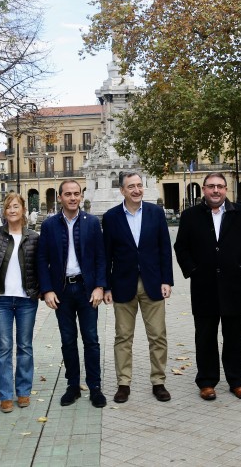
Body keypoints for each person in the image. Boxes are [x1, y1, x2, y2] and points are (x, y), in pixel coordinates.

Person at [174, 173, 241, 401]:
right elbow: (181, 247)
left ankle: (237, 381)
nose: (216, 191)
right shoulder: (190, 216)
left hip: (234, 286)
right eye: (211, 186)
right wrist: (192, 270)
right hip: (203, 286)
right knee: (205, 336)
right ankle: (206, 381)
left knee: (235, 336)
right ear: (203, 189)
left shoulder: (240, 213)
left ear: (226, 190)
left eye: (220, 187)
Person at [102, 171, 174, 403]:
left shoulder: (155, 213)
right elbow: (107, 255)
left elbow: (165, 248)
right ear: (122, 190)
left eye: (139, 186)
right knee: (123, 337)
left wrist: (167, 280)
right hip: (122, 285)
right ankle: (124, 383)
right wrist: (106, 286)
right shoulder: (111, 217)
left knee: (158, 336)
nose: (136, 190)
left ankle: (158, 382)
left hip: (153, 283)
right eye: (131, 186)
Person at [38, 180, 108, 408]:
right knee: (68, 340)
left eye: (76, 194)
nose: (72, 198)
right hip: (62, 291)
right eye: (68, 194)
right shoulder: (49, 225)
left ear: (81, 196)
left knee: (91, 340)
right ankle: (73, 386)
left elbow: (101, 257)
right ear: (60, 197)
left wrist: (100, 286)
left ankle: (95, 387)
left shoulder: (91, 223)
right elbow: (42, 260)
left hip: (87, 289)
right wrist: (47, 290)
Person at [0, 192, 40, 414]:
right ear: (4, 212)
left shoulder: (33, 237)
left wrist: (39, 291)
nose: (12, 210)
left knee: (25, 346)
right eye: (8, 207)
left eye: (16, 206)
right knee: (4, 347)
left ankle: (23, 392)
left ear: (23, 210)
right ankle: (5, 395)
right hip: (0, 300)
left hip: (26, 300)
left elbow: (39, 266)